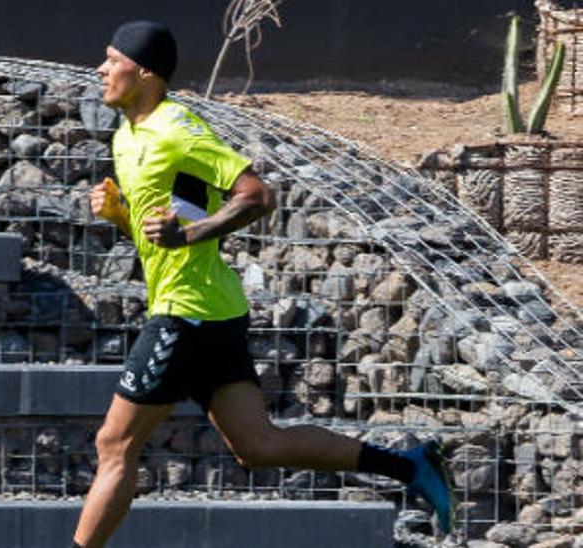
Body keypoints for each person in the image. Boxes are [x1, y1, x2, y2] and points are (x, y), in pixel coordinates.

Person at [70, 20, 455, 548]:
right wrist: (121, 216)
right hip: (215, 308)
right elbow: (164, 225)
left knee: (114, 445)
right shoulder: (125, 135)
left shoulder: (178, 129)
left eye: (112, 60)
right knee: (258, 444)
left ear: (146, 73)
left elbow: (256, 195)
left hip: (189, 312)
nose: (101, 69)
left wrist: (189, 236)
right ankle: (410, 467)